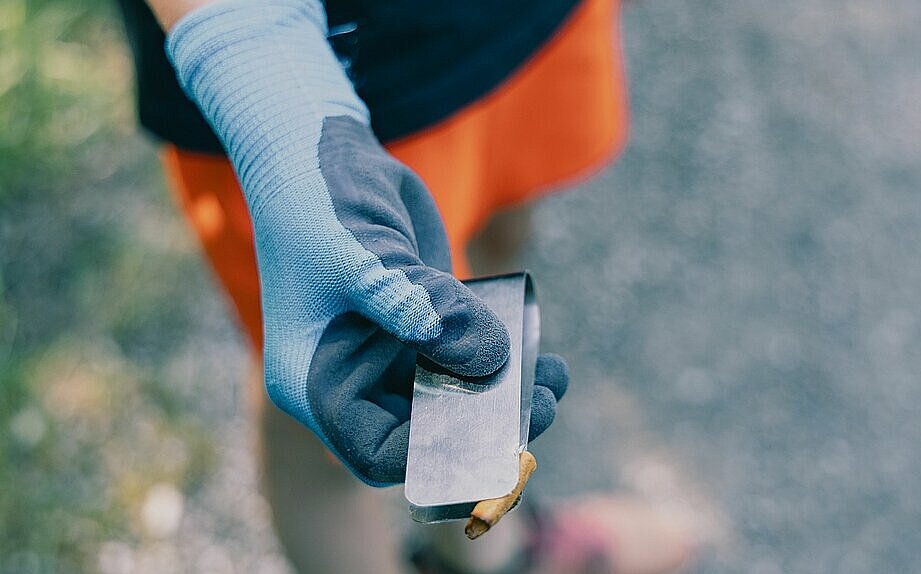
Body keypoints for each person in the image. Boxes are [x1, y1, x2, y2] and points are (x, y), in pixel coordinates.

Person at [116, 0, 702, 571]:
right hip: (319, 77)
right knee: (343, 391)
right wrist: (273, 98)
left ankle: (496, 554)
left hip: (519, 25)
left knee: (497, 254)